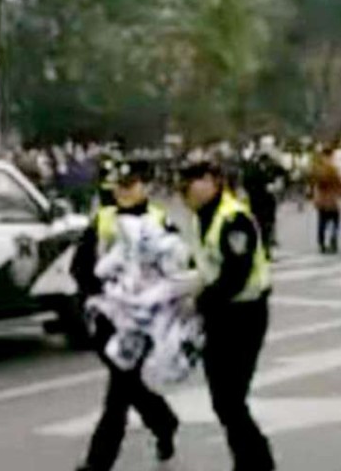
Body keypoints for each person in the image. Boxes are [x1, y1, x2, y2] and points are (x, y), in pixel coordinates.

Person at [70, 161, 180, 471]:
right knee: (128, 386)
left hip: (141, 321)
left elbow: (174, 272)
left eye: (131, 184)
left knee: (119, 392)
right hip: (107, 318)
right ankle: (163, 420)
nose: (124, 190)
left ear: (145, 186)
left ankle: (99, 462)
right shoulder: (103, 220)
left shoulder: (160, 222)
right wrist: (97, 296)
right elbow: (80, 268)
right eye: (119, 184)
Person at [179, 160, 275, 471]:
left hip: (244, 315)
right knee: (223, 400)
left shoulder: (233, 219)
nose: (187, 189)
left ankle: (257, 462)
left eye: (194, 180)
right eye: (183, 183)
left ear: (214, 182)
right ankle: (248, 460)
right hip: (218, 315)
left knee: (231, 399)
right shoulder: (200, 219)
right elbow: (205, 266)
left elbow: (237, 274)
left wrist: (201, 301)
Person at [310, 146, 341, 255]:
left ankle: (322, 243)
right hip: (331, 199)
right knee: (335, 221)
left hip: (322, 199)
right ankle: (332, 241)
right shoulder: (332, 168)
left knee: (322, 222)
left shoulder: (317, 167)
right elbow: (339, 181)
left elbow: (313, 179)